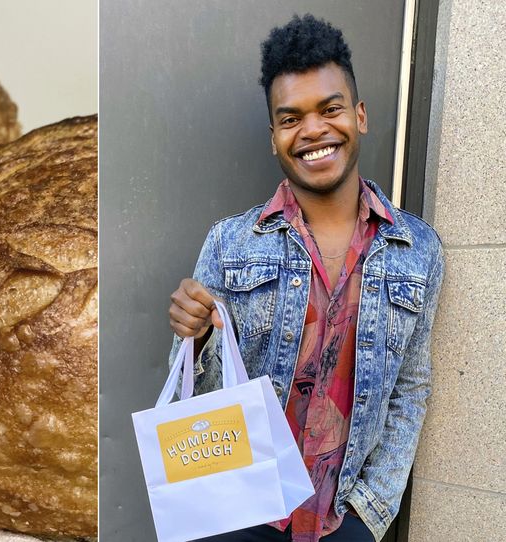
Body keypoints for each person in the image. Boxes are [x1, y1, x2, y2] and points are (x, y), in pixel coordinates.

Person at [167, 15, 444, 542]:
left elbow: (411, 387)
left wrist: (372, 511)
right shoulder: (231, 242)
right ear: (274, 137)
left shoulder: (419, 250)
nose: (313, 130)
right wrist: (198, 336)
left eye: (330, 109)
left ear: (359, 116)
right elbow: (193, 400)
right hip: (239, 509)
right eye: (290, 118)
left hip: (344, 519)